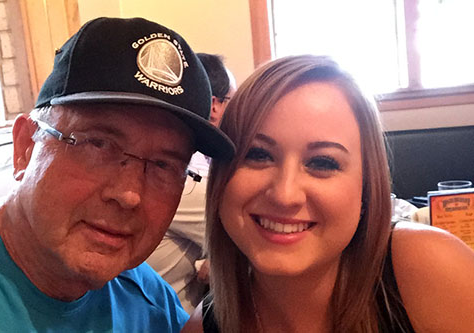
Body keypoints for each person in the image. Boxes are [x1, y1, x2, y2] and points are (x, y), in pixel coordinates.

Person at [0, 17, 235, 332]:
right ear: (26, 146)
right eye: (98, 145)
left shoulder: (145, 297)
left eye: (164, 165)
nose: (129, 194)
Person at [182, 55, 474, 332]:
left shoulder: (428, 269)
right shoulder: (204, 326)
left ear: (366, 188)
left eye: (322, 162)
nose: (285, 195)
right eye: (257, 154)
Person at [146, 52, 237, 312]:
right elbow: (253, 252)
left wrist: (217, 260)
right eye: (236, 101)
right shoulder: (188, 179)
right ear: (214, 105)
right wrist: (224, 260)